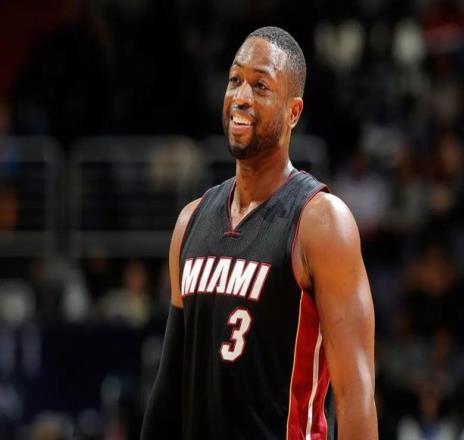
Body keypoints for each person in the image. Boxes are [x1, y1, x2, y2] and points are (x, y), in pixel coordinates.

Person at [141, 26, 377, 439]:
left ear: (293, 112)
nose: (241, 96)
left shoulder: (321, 223)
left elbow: (355, 397)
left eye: (261, 85)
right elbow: (169, 389)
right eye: (235, 80)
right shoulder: (190, 222)